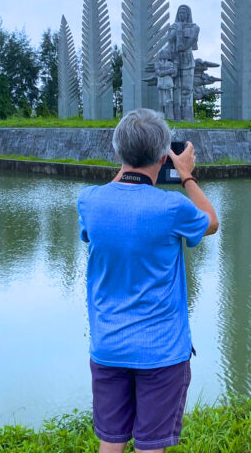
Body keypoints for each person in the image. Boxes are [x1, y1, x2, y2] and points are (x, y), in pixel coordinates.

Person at [77, 108, 219, 453]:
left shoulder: (90, 201)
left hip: (108, 345)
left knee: (110, 442)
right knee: (151, 446)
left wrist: (125, 166)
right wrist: (186, 175)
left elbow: (95, 222)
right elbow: (211, 222)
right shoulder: (172, 208)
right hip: (160, 351)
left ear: (117, 154)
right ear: (162, 155)